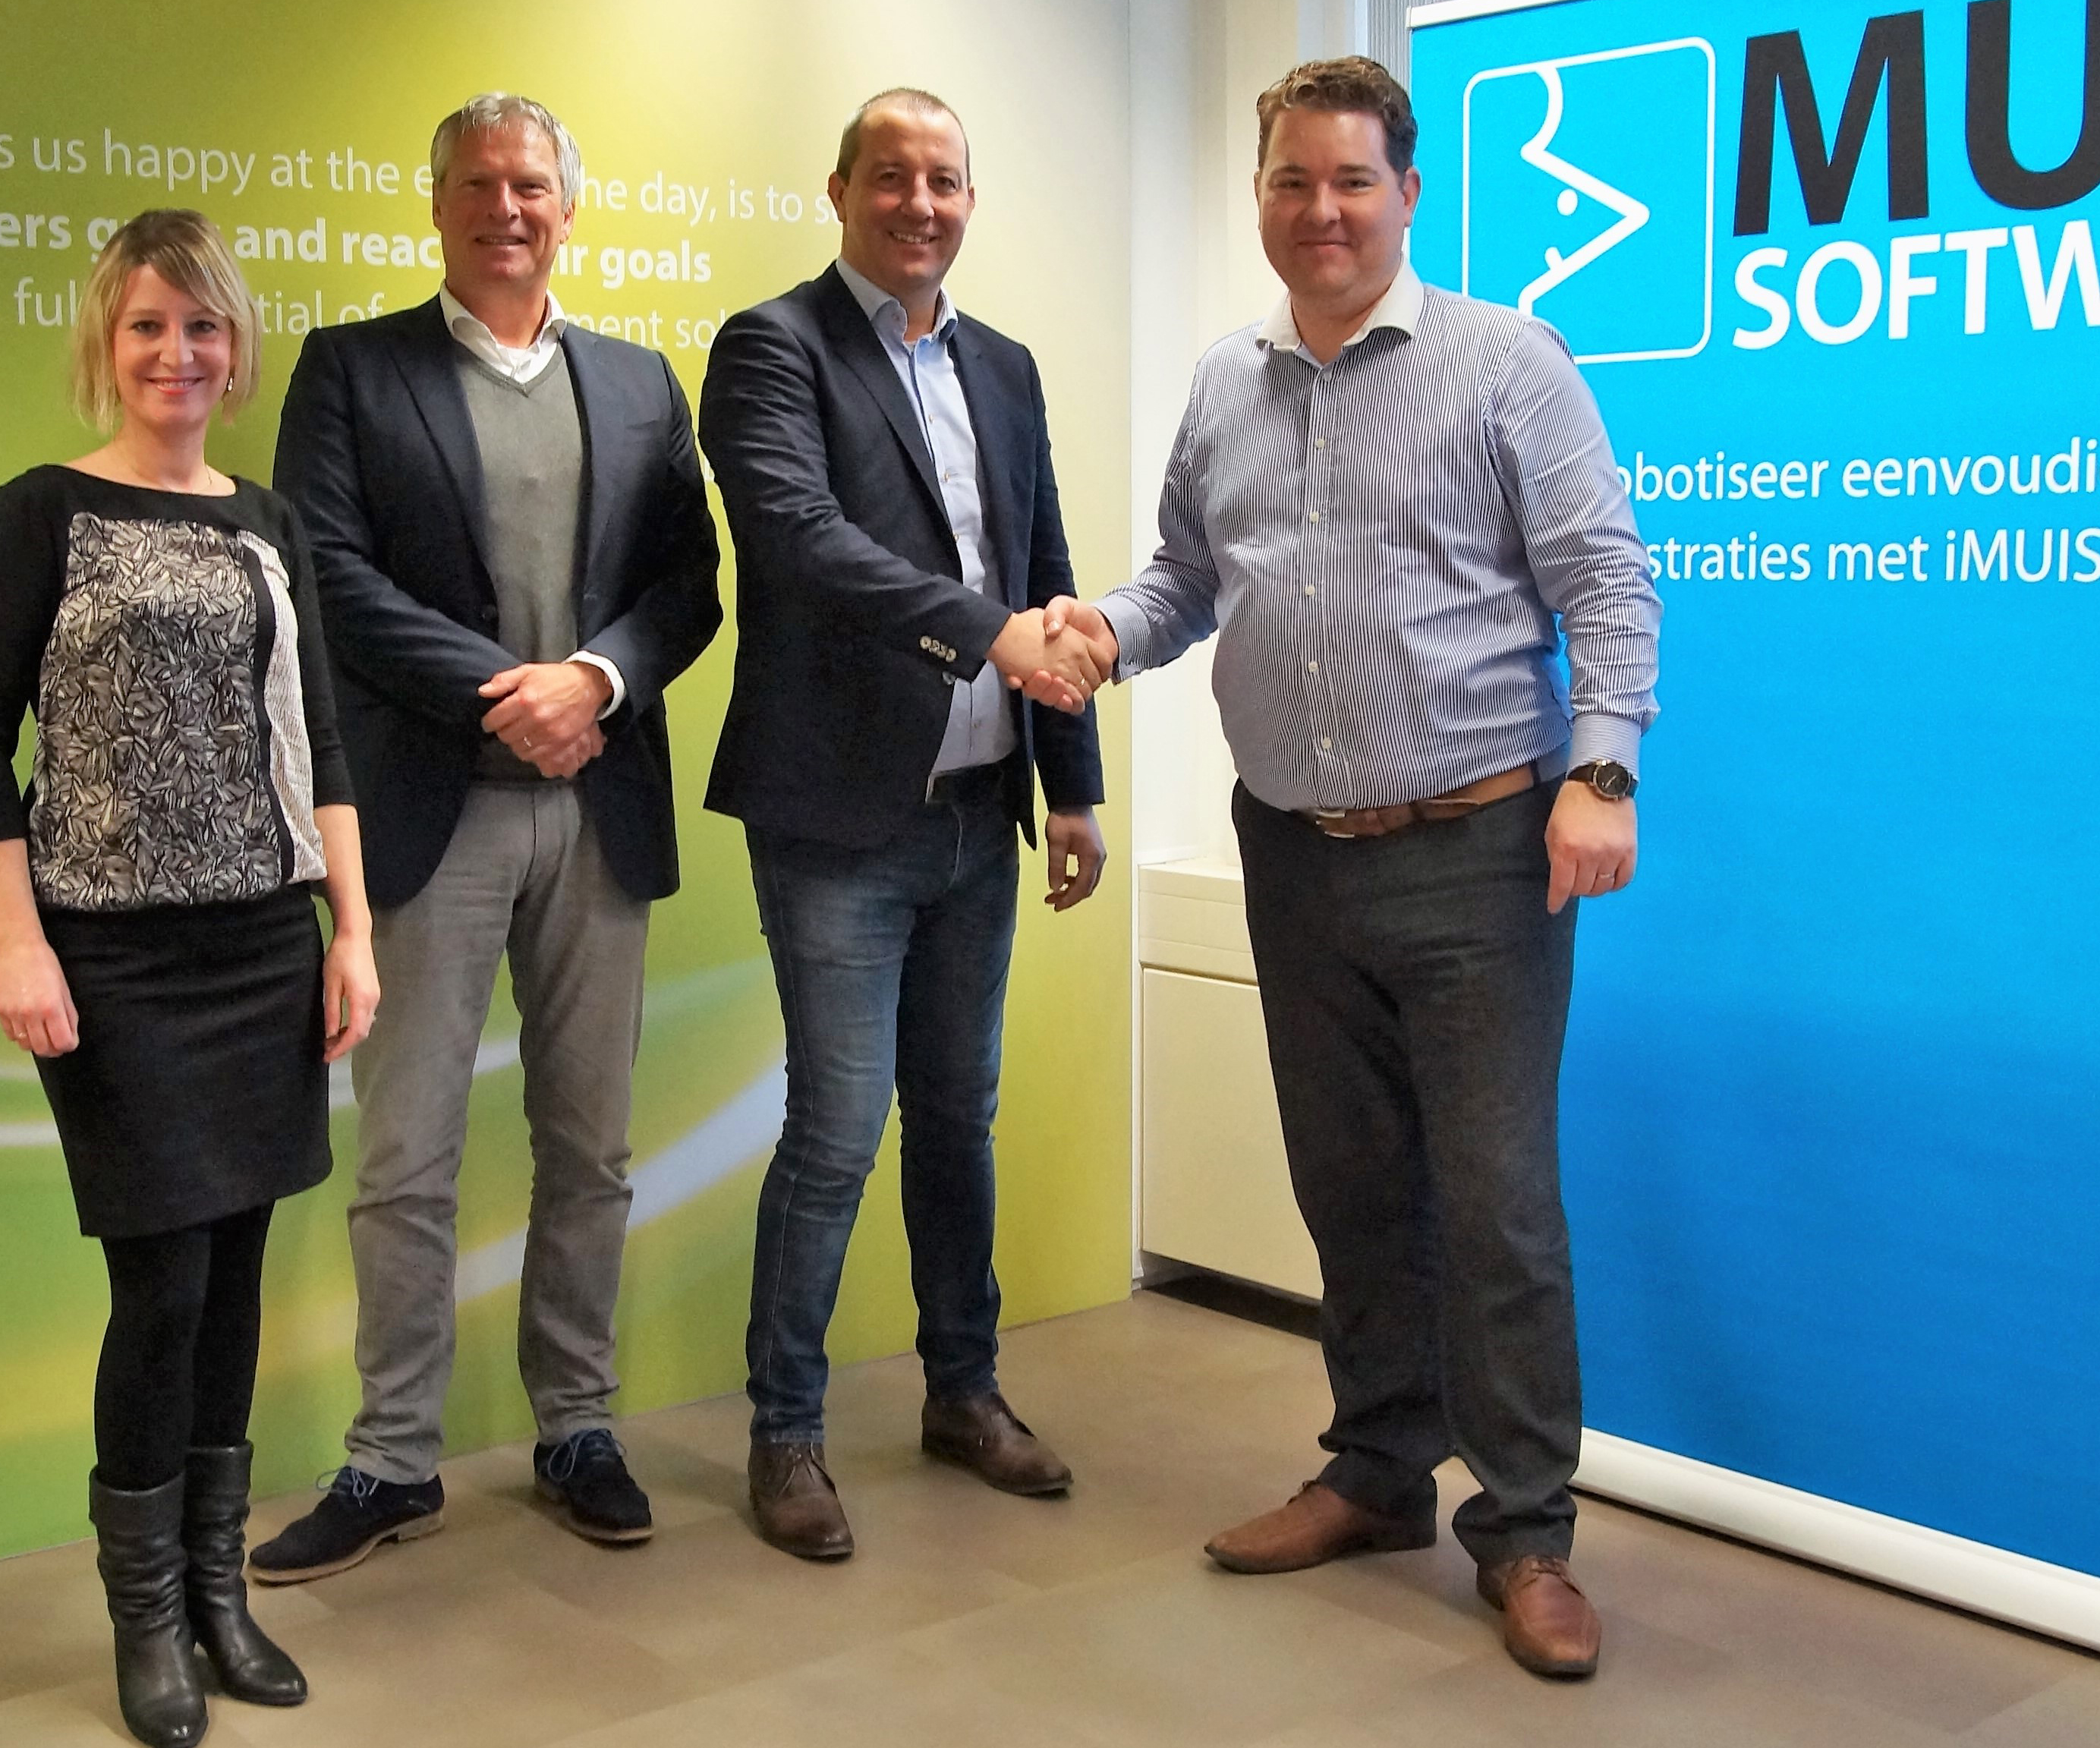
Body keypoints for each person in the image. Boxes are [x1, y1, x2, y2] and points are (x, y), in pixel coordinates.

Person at [1039, 58, 1660, 1678]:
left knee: (1498, 1207)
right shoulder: (1225, 384)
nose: (1321, 211)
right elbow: (1188, 579)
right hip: (1295, 853)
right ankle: (1380, 1472)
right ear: (1260, 194)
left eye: (1352, 180)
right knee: (1353, 1187)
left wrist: (1602, 771)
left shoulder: (1505, 363)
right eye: (1292, 181)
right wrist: (1105, 632)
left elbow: (1606, 580)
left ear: (1408, 193)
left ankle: (1526, 1532)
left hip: (1478, 854)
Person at [250, 93, 723, 1580]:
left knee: (592, 1146)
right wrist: (508, 694)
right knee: (407, 1157)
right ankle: (393, 1458)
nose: (504, 207)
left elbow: (690, 583)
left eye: (529, 186)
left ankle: (577, 1425)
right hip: (427, 816)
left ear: (567, 209)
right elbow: (325, 570)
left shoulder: (640, 382)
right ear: (438, 203)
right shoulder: (352, 371)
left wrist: (598, 682)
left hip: (599, 806)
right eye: (476, 184)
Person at [0, 209, 375, 1746]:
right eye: (146, 325)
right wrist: (18, 940)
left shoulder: (267, 519)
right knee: (163, 1286)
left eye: (201, 326)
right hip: (112, 959)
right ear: (104, 344)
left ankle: (215, 1596)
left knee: (238, 1275)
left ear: (234, 347)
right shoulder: (40, 514)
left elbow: (319, 741)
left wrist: (352, 931)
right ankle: (144, 1619)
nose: (176, 353)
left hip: (263, 945)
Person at [698, 88, 1110, 1562]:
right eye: (891, 177)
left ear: (968, 201)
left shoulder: (1003, 364)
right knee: (834, 1131)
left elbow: (1044, 563)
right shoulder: (773, 348)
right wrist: (986, 634)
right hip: (838, 819)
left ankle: (963, 1391)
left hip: (978, 813)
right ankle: (786, 1433)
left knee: (956, 1120)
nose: (918, 204)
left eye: (943, 180)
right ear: (840, 191)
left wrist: (1072, 782)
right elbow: (802, 544)